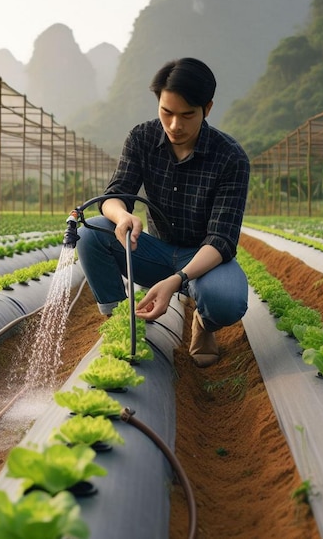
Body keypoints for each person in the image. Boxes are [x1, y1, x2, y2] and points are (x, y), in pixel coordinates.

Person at [76, 58, 250, 367]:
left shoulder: (230, 158)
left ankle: (204, 324)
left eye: (187, 115)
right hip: (154, 253)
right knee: (90, 232)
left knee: (227, 300)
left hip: (203, 258)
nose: (174, 125)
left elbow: (222, 239)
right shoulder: (141, 139)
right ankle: (120, 322)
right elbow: (113, 197)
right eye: (166, 112)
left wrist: (177, 280)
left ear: (207, 109)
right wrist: (123, 217)